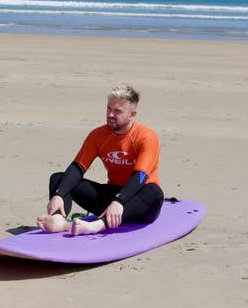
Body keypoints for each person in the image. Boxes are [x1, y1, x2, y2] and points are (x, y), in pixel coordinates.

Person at [36, 85, 164, 236]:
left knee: (154, 191)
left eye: (117, 111)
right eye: (109, 109)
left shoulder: (146, 137)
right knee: (59, 179)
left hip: (141, 203)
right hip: (111, 199)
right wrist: (59, 194)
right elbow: (77, 168)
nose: (110, 114)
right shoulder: (98, 135)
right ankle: (58, 220)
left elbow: (140, 176)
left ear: (132, 114)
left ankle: (98, 225)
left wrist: (119, 202)